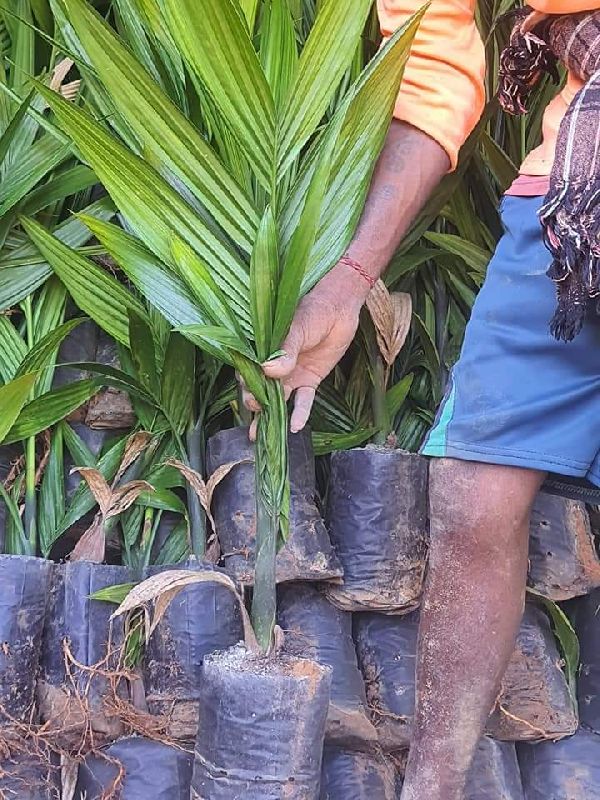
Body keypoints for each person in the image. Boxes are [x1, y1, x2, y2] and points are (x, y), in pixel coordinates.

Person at [242, 2, 600, 798]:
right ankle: (429, 789)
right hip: (571, 198)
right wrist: (348, 278)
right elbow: (434, 74)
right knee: (471, 497)